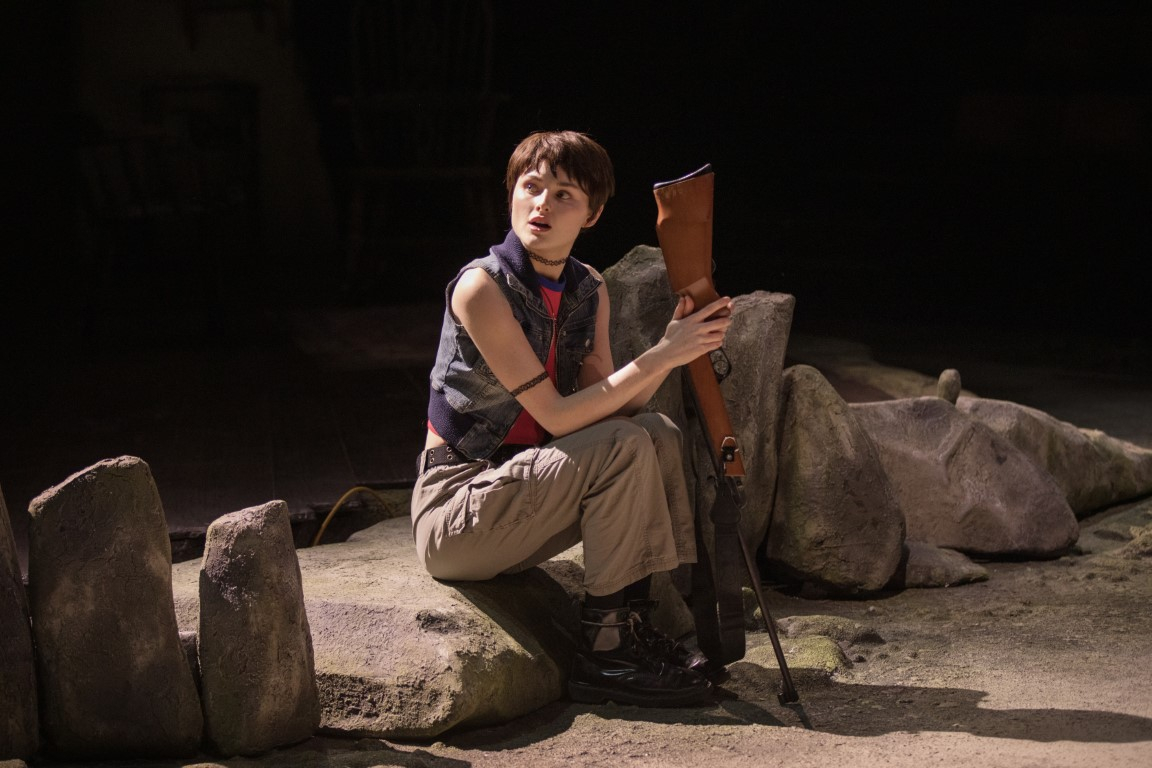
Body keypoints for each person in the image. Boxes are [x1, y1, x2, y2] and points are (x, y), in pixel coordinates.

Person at [410, 130, 734, 707]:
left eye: (564, 195)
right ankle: (604, 654)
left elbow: (615, 407)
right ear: (510, 194)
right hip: (456, 510)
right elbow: (559, 418)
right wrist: (665, 354)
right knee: (623, 444)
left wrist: (677, 344)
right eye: (531, 187)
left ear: (592, 214)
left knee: (655, 433)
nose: (542, 204)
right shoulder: (481, 287)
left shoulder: (590, 288)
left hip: (525, 494)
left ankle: (630, 627)